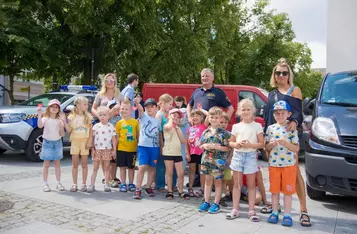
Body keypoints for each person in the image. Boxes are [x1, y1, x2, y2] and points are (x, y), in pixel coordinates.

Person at [263, 58, 311, 227]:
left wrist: (295, 123)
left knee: (295, 172)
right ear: (274, 75)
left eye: (284, 72)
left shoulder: (294, 90)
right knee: (276, 173)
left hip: (290, 137)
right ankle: (277, 208)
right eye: (278, 72)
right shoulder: (271, 94)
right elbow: (268, 117)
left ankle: (303, 210)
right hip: (273, 137)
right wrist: (265, 139)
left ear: (289, 74)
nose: (281, 75)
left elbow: (298, 113)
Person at [226, 99, 264, 221]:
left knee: (252, 184)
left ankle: (252, 210)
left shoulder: (257, 126)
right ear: (239, 112)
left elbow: (261, 144)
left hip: (251, 156)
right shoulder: (236, 126)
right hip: (238, 156)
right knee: (237, 184)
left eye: (248, 109)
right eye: (243, 109)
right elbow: (230, 142)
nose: (246, 111)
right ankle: (235, 209)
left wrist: (250, 145)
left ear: (253, 111)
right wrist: (236, 144)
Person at [265, 100, 299, 227]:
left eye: (282, 113)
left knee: (288, 191)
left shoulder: (291, 129)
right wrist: (271, 144)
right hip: (274, 165)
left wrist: (286, 144)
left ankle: (287, 214)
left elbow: (296, 148)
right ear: (274, 115)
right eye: (277, 113)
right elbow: (266, 148)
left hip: (288, 165)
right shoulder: (270, 128)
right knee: (274, 191)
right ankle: (274, 212)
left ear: (288, 114)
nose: (279, 115)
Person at [91, 73, 123, 186]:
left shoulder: (119, 95)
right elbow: (93, 109)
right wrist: (99, 115)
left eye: (112, 80)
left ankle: (113, 177)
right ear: (104, 82)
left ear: (115, 82)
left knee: (114, 152)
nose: (110, 82)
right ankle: (107, 177)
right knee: (104, 152)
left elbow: (124, 109)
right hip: (103, 127)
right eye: (107, 80)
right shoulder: (100, 94)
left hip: (116, 126)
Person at [198, 107, 231, 214]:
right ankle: (206, 201)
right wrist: (205, 146)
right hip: (206, 160)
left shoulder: (224, 133)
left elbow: (227, 147)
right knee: (207, 181)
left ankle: (216, 203)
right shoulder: (205, 131)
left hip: (218, 161)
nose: (214, 119)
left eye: (216, 117)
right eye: (212, 117)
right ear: (209, 117)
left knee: (217, 182)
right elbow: (200, 145)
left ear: (220, 118)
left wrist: (217, 147)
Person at [133, 98, 162, 199]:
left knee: (152, 168)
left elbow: (159, 134)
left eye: (152, 106)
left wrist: (161, 147)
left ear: (156, 108)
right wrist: (137, 103)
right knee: (142, 167)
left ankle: (148, 186)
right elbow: (140, 110)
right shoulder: (144, 117)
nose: (149, 109)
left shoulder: (158, 121)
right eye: (147, 107)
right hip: (143, 147)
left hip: (154, 147)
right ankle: (138, 188)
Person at [64, 96, 93, 192]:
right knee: (74, 164)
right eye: (84, 104)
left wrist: (90, 141)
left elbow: (91, 130)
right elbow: (68, 130)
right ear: (78, 105)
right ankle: (74, 183)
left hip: (84, 142)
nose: (86, 106)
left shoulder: (88, 117)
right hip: (75, 142)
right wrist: (64, 121)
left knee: (84, 164)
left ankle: (84, 183)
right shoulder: (71, 117)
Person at [37, 99, 66, 192]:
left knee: (57, 164)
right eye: (52, 107)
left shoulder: (59, 120)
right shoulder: (45, 119)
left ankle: (58, 182)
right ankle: (45, 183)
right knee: (46, 164)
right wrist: (39, 116)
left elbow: (62, 135)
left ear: (58, 109)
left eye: (56, 107)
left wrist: (62, 124)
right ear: (48, 108)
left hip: (57, 143)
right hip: (47, 143)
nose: (54, 108)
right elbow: (40, 126)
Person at [87, 106, 117, 193]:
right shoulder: (95, 126)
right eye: (100, 115)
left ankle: (106, 184)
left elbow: (113, 139)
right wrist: (92, 149)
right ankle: (92, 185)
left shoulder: (111, 126)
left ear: (109, 116)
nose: (102, 117)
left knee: (107, 167)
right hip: (97, 150)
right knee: (95, 167)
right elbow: (92, 138)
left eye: (104, 115)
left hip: (107, 149)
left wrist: (114, 150)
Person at [162, 108, 189, 200]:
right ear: (169, 116)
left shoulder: (178, 128)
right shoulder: (166, 126)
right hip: (168, 153)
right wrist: (171, 119)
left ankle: (181, 190)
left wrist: (177, 128)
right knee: (169, 172)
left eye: (178, 117)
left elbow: (183, 141)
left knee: (180, 173)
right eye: (174, 116)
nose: (176, 118)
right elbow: (168, 127)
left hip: (177, 154)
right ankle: (169, 190)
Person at [116, 100, 139, 192]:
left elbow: (138, 135)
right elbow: (117, 138)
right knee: (122, 167)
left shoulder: (135, 122)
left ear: (131, 110)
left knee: (131, 167)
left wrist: (138, 147)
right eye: (122, 109)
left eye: (126, 109)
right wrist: (114, 149)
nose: (124, 111)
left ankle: (131, 183)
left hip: (132, 149)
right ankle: (123, 183)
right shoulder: (119, 123)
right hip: (121, 149)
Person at [155, 94, 177, 192]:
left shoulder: (169, 114)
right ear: (162, 103)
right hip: (163, 140)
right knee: (161, 164)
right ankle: (160, 184)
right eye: (169, 104)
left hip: (171, 141)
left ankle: (172, 184)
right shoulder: (159, 115)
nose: (171, 106)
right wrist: (161, 144)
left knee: (173, 163)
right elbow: (159, 131)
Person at [185, 109, 207, 197]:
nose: (195, 117)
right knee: (192, 170)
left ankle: (202, 189)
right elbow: (186, 142)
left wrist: (201, 109)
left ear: (202, 118)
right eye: (193, 116)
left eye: (197, 115)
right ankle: (190, 187)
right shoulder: (189, 129)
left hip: (201, 152)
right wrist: (187, 153)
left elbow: (209, 115)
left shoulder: (203, 126)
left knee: (201, 171)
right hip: (192, 152)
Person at [219, 112, 233, 207]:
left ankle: (222, 197)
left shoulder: (229, 134)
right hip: (216, 160)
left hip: (226, 161)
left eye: (225, 122)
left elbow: (232, 148)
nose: (223, 124)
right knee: (216, 180)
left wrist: (229, 158)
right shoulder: (215, 133)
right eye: (221, 122)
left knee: (225, 180)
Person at [107, 100, 122, 187]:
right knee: (107, 161)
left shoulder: (119, 118)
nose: (116, 111)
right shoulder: (107, 117)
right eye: (114, 109)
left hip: (116, 142)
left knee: (114, 162)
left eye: (118, 109)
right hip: (107, 143)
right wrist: (111, 111)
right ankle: (108, 178)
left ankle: (113, 177)